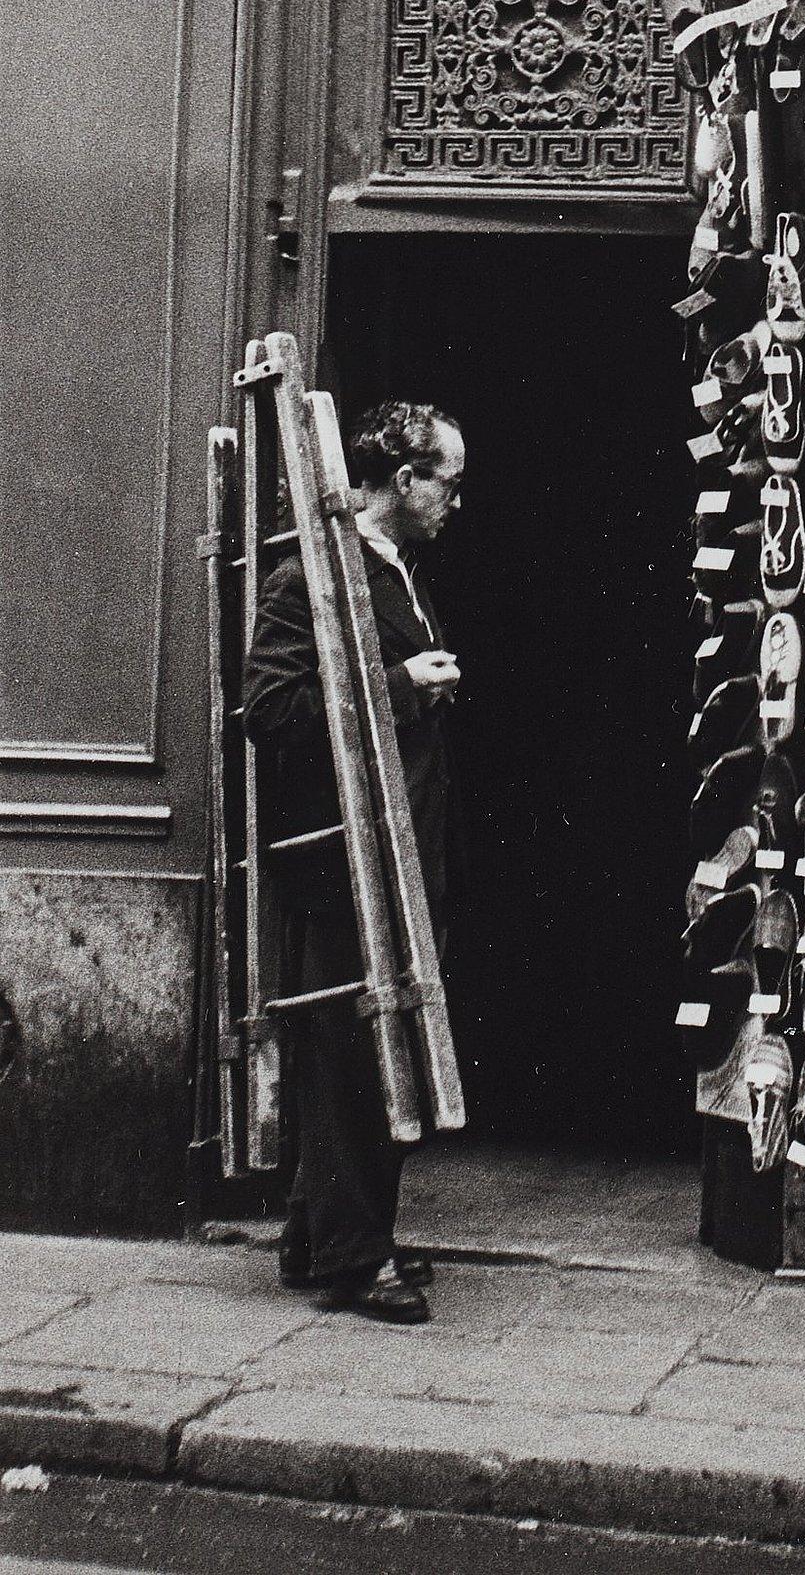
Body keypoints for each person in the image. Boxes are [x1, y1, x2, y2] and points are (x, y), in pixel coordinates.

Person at [244, 400, 465, 1324]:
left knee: (375, 1051)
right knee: (351, 1056)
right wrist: (402, 688)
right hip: (349, 865)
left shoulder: (391, 572)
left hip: (400, 856)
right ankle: (351, 1255)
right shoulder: (313, 579)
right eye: (448, 480)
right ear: (403, 480)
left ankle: (321, 1235)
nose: (458, 498)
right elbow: (272, 711)